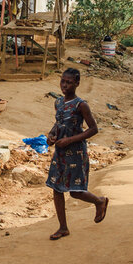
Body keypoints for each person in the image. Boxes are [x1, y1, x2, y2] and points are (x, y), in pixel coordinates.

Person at [46, 68, 108, 240]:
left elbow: (93, 129)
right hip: (60, 152)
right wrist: (51, 136)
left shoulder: (81, 105)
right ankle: (63, 227)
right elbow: (58, 123)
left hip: (76, 152)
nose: (65, 85)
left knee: (75, 191)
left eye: (69, 82)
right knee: (56, 189)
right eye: (63, 81)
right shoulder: (58, 102)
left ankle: (99, 201)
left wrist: (70, 140)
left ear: (77, 83)